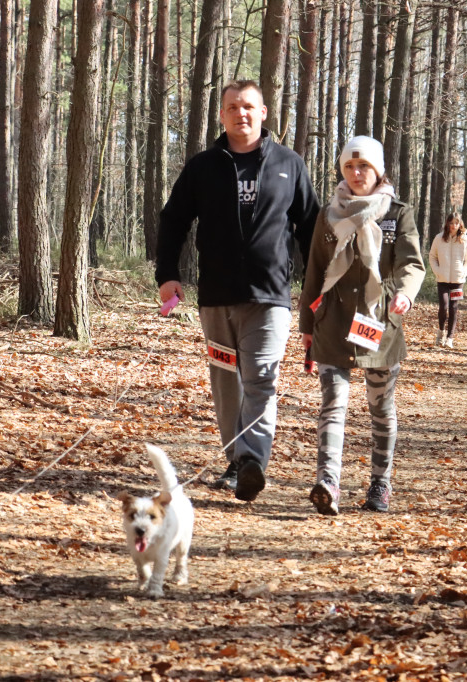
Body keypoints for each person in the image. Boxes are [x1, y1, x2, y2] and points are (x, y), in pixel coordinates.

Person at [155, 80, 320, 502]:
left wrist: (316, 290)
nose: (240, 113)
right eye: (232, 107)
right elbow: (173, 220)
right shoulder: (203, 167)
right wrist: (167, 275)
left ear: (263, 113)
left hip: (271, 297)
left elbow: (313, 232)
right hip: (216, 297)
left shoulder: (289, 164)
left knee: (262, 378)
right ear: (222, 114)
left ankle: (251, 461)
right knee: (227, 381)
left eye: (248, 106)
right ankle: (237, 460)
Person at [298, 136, 425, 515]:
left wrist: (404, 294)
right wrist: (306, 323)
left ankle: (379, 485)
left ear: (378, 170)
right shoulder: (328, 214)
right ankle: (329, 483)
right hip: (333, 321)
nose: (356, 173)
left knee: (380, 407)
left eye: (364, 166)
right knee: (332, 405)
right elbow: (315, 272)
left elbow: (411, 263)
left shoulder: (397, 213)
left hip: (378, 323)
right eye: (350, 167)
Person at [427, 213, 467, 348]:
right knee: (444, 306)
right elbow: (432, 257)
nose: (453, 226)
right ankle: (441, 331)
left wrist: (463, 272)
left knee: (454, 307)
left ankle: (450, 337)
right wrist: (438, 271)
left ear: (460, 224)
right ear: (447, 223)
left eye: (456, 223)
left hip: (458, 281)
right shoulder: (439, 238)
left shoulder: (465, 240)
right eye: (451, 223)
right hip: (442, 280)